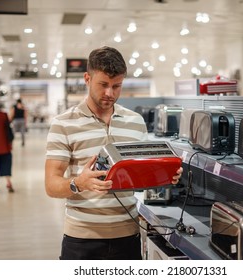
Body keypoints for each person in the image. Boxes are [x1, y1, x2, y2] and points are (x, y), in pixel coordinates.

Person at [45, 46, 183, 260]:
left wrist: (163, 176)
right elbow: (51, 185)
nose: (110, 93)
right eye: (103, 85)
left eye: (116, 86)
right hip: (81, 239)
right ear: (87, 78)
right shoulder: (63, 123)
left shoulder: (135, 122)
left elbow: (139, 177)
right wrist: (79, 183)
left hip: (127, 237)